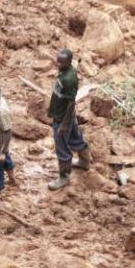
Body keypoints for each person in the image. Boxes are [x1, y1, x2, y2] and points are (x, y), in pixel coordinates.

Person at [48, 49, 90, 190]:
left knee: (62, 148)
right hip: (64, 114)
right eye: (58, 60)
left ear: (69, 62)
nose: (58, 64)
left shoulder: (69, 78)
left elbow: (71, 103)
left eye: (62, 62)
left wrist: (64, 124)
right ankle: (84, 161)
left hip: (62, 117)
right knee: (74, 137)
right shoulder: (66, 71)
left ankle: (64, 177)